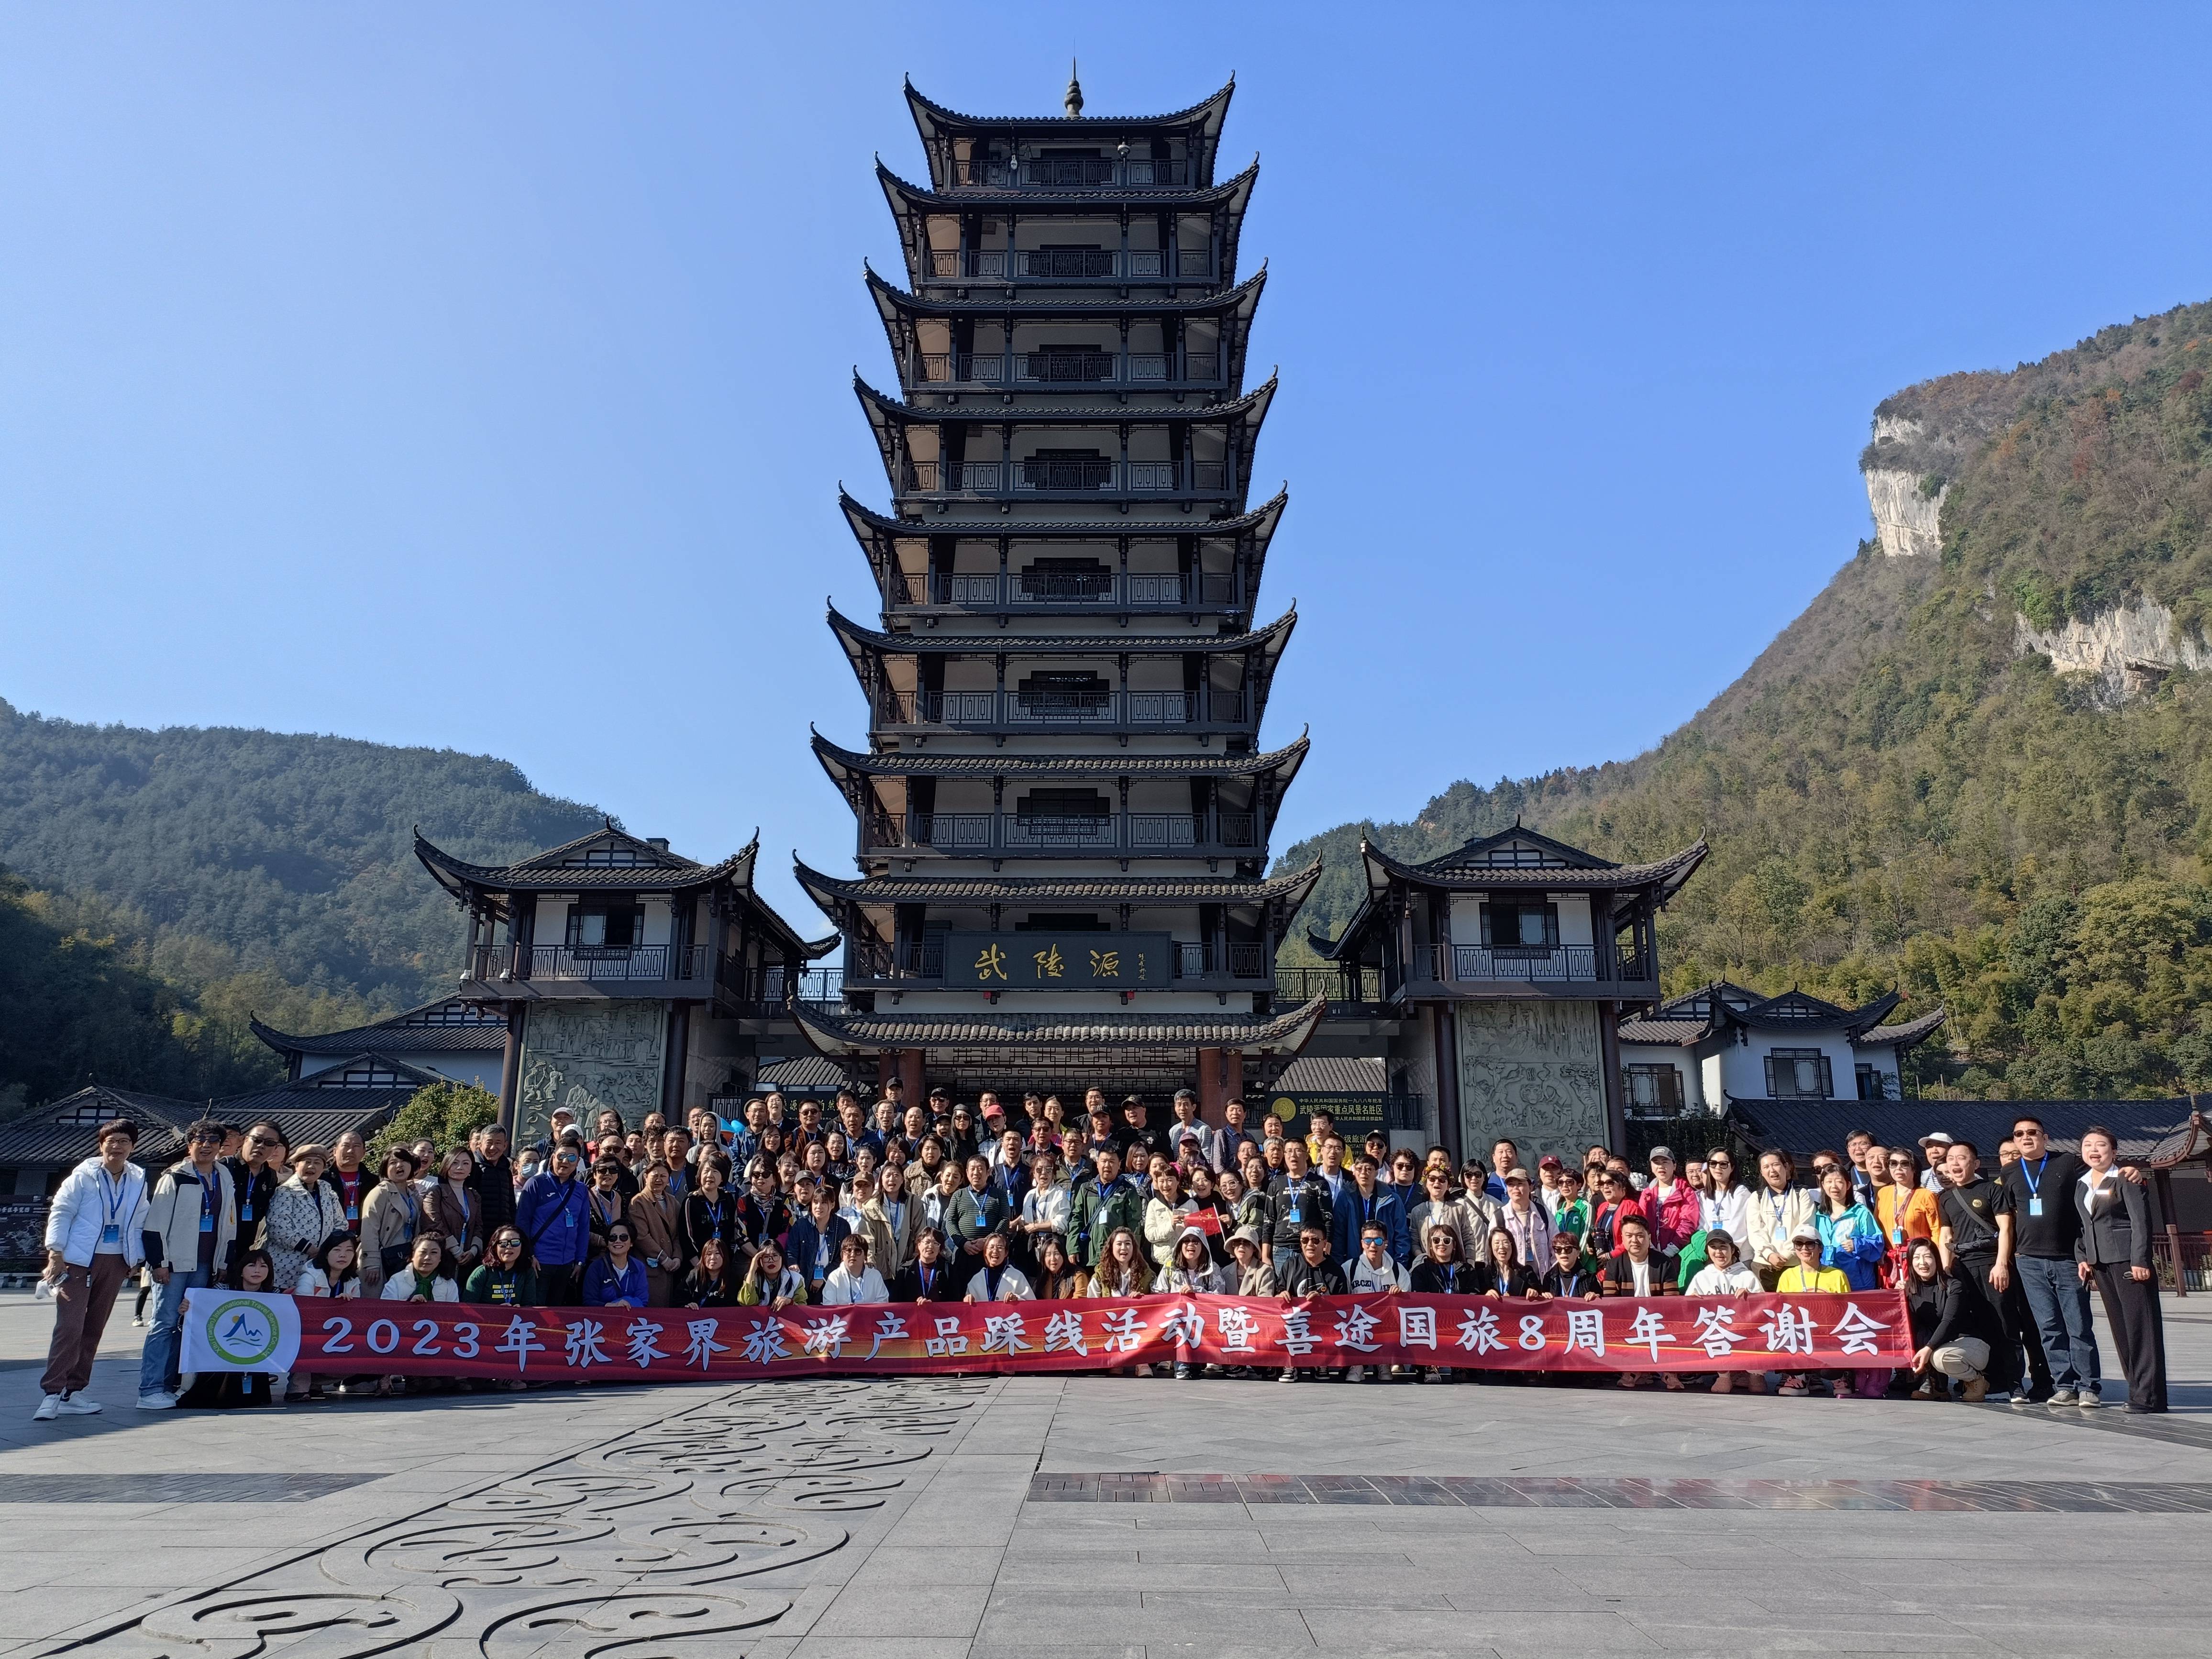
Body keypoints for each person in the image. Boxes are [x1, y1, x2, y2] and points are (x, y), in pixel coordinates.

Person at [36, 1117, 149, 1421]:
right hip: (78, 1259)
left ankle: (75, 1391)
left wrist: (134, 1259)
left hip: (115, 1260)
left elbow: (139, 1221)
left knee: (94, 1328)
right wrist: (55, 1253)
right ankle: (52, 1392)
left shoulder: (138, 1179)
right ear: (101, 1145)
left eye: (124, 1141)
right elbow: (62, 1212)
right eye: (111, 1141)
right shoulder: (82, 1177)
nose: (117, 1147)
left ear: (132, 1147)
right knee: (70, 1326)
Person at [1995, 1115, 2102, 1409]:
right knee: (2049, 1327)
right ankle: (2064, 1386)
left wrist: (2127, 1171)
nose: (2026, 1138)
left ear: (2045, 1137)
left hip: (2068, 1258)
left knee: (2079, 1325)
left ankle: (2089, 1386)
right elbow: (2006, 1216)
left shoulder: (2067, 1163)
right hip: (2029, 1261)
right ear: (2015, 1140)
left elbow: (2099, 1172)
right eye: (2019, 1134)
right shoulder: (2010, 1172)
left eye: (2033, 1133)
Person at [137, 1119, 237, 1410]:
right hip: (175, 1264)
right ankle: (150, 1388)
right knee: (164, 1323)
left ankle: (172, 1386)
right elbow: (154, 1225)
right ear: (189, 1144)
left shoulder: (224, 1176)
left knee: (189, 1325)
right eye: (200, 1140)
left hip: (206, 1262)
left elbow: (228, 1224)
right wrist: (159, 1263)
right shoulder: (175, 1177)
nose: (206, 1146)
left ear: (221, 1146)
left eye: (213, 1141)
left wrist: (223, 1261)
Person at [2075, 1125, 2167, 1414]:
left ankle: (2148, 1397)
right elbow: (2083, 1226)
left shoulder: (2125, 1179)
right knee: (2122, 1331)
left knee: (2142, 1329)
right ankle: (2138, 1391)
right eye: (2088, 1145)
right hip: (2099, 1264)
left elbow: (2141, 1223)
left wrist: (2140, 1260)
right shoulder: (2082, 1184)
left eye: (2101, 1145)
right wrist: (2083, 1256)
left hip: (2128, 1261)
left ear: (2114, 1152)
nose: (2094, 1150)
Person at [1901, 1238, 1999, 1403]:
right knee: (1921, 1336)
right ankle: (1936, 1386)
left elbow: (1949, 1322)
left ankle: (1976, 1380)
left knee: (1940, 1357)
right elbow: (1912, 1326)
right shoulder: (1911, 1289)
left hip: (1969, 1344)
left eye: (1928, 1257)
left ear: (1936, 1259)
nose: (1922, 1263)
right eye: (1916, 1258)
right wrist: (1902, 1298)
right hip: (1941, 1345)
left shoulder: (1954, 1286)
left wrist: (1928, 1348)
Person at [265, 1144, 346, 1303]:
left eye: (317, 1163)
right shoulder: (285, 1192)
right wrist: (310, 1248)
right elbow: (279, 1229)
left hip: (320, 1265)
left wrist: (329, 1249)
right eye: (307, 1162)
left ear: (324, 1167)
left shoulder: (328, 1192)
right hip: (287, 1267)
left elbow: (341, 1224)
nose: (311, 1166)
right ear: (296, 1165)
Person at [1775, 1227, 1849, 1397]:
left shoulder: (1837, 1275)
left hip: (1828, 1337)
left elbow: (1847, 1312)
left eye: (1810, 1244)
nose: (1804, 1249)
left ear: (1820, 1248)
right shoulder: (1787, 1275)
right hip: (1799, 1336)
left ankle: (1838, 1377)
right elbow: (1779, 1310)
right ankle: (1798, 1377)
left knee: (1828, 1369)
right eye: (1799, 1244)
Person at [516, 1144, 593, 1306]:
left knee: (557, 1312)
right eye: (561, 1156)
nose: (565, 1161)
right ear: (553, 1157)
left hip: (567, 1263)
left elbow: (584, 1227)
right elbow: (522, 1222)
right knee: (536, 1310)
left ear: (578, 1161)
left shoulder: (581, 1189)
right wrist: (529, 1255)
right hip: (539, 1261)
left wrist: (580, 1261)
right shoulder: (536, 1184)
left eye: (571, 1157)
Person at [291, 1232, 360, 1400]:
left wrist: (346, 1307)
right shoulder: (310, 1276)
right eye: (337, 1250)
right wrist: (331, 1307)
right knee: (304, 1339)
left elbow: (358, 1315)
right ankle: (297, 1386)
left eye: (349, 1251)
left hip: (336, 1334)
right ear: (326, 1252)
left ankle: (315, 1382)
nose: (343, 1255)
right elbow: (302, 1308)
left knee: (358, 1357)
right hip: (308, 1330)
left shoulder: (353, 1281)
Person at [1277, 1226, 1348, 1383]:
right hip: (1295, 1323)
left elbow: (1344, 1307)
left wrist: (1324, 1301)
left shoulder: (1336, 1271)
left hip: (1324, 1323)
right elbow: (1277, 1293)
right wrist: (1280, 1296)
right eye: (1305, 1240)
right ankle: (1291, 1364)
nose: (1310, 1244)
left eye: (1316, 1240)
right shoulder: (1290, 1266)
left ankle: (1321, 1362)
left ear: (1325, 1244)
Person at [1744, 1150, 1817, 1290]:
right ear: (1762, 1173)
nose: (1772, 1170)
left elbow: (1806, 1226)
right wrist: (1769, 1254)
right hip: (1764, 1264)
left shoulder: (1801, 1194)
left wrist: (1787, 1255)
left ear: (1786, 1167)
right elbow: (1754, 1230)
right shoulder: (1756, 1197)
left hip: (1795, 1262)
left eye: (1776, 1165)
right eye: (1766, 1167)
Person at [1067, 1144, 1144, 1272]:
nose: (1107, 1165)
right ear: (1097, 1164)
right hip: (1088, 1255)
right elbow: (1076, 1218)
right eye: (1104, 1161)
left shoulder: (1127, 1190)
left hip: (1116, 1258)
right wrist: (1073, 1248)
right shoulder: (1086, 1189)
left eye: (1112, 1162)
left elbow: (1135, 1223)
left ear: (1119, 1165)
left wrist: (1133, 1254)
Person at [1265, 1140, 1333, 1284]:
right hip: (1281, 1248)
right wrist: (1266, 1255)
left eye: (1298, 1151)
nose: (1293, 1155)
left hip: (1308, 1247)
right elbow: (1269, 1220)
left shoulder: (1319, 1184)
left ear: (1306, 1154)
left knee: (1306, 1290)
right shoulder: (1276, 1184)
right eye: (1289, 1151)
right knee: (1283, 1292)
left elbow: (1328, 1219)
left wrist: (1326, 1248)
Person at [358, 1150, 422, 1300]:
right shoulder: (380, 1192)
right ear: (385, 1169)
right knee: (376, 1302)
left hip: (403, 1257)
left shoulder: (412, 1194)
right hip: (381, 1257)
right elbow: (369, 1229)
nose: (399, 1165)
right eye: (393, 1163)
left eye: (404, 1161)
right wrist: (372, 1263)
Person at [1814, 1165, 1887, 1290]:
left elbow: (1877, 1244)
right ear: (1823, 1186)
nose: (1834, 1186)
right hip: (1829, 1279)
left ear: (1848, 1186)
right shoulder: (1819, 1214)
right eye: (1829, 1182)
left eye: (1839, 1182)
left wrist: (1857, 1245)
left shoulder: (1861, 1213)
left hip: (1857, 1281)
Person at [1876, 1148, 1941, 1283]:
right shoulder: (1883, 1193)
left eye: (1904, 1164)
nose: (1898, 1168)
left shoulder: (1926, 1195)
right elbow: (1878, 1227)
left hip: (1919, 1260)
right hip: (1891, 1259)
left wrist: (1937, 1259)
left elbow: (1937, 1230)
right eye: (1893, 1163)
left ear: (1914, 1169)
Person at [423, 1146, 486, 1283]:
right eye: (455, 1163)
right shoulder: (435, 1193)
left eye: (466, 1163)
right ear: (447, 1165)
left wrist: (474, 1250)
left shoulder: (474, 1195)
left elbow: (479, 1226)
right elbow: (434, 1224)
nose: (460, 1168)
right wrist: (456, 1250)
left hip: (468, 1258)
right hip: (442, 1257)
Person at [626, 1162, 682, 1306]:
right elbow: (641, 1236)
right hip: (651, 1267)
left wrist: (677, 1257)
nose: (659, 1179)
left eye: (663, 1176)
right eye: (655, 1175)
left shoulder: (673, 1202)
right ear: (646, 1177)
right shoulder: (638, 1202)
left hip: (671, 1267)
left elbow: (677, 1235)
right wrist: (663, 1258)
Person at [786, 1189, 852, 1299]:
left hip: (832, 1280)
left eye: (824, 1203)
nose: (819, 1206)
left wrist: (823, 1276)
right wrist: (793, 1264)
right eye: (815, 1202)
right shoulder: (801, 1225)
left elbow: (843, 1257)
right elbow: (790, 1252)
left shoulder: (842, 1226)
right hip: (804, 1280)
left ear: (832, 1204)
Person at [464, 1228, 540, 1308]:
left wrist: (522, 1310)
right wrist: (498, 1312)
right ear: (495, 1247)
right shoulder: (482, 1273)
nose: (509, 1247)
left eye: (515, 1242)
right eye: (503, 1243)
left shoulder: (527, 1272)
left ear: (523, 1247)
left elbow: (530, 1306)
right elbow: (469, 1309)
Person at [1497, 1169, 1555, 1271]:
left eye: (1520, 1184)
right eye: (1511, 1185)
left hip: (1542, 1278)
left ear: (1530, 1187)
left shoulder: (1543, 1213)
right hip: (1514, 1279)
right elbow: (1493, 1251)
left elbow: (1555, 1246)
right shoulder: (1500, 1217)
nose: (1515, 1188)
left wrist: (1552, 1277)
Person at [322, 1130, 378, 1236]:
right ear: (335, 1151)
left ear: (364, 1152)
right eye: (346, 1146)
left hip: (364, 1237)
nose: (350, 1151)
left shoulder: (374, 1181)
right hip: (329, 1239)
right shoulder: (322, 1179)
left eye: (356, 1146)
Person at [1141, 1161, 1195, 1267]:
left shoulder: (1191, 1204)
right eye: (1161, 1181)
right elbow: (1150, 1234)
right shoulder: (1154, 1204)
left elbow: (1198, 1233)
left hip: (1186, 1260)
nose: (1165, 1185)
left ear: (1178, 1181)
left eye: (1170, 1180)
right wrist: (1170, 1226)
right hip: (1162, 1261)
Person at [582, 1222, 648, 1307]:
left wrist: (625, 1303)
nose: (618, 1241)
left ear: (631, 1243)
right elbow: (589, 1302)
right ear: (608, 1243)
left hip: (631, 1318)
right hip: (603, 1319)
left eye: (623, 1237)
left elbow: (643, 1301)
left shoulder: (639, 1267)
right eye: (612, 1238)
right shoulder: (596, 1267)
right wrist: (613, 1306)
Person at [892, 1228, 964, 1303]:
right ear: (919, 1244)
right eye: (927, 1242)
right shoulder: (905, 1270)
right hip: (913, 1314)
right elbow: (895, 1302)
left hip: (940, 1314)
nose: (931, 1246)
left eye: (936, 1243)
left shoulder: (949, 1270)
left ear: (940, 1249)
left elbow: (955, 1301)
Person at [1474, 1225, 1543, 1300]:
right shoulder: (1482, 1276)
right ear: (1491, 1247)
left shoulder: (1527, 1273)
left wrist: (1534, 1294)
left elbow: (1539, 1298)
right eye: (1497, 1243)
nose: (1501, 1247)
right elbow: (1473, 1302)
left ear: (1512, 1245)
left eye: (1505, 1242)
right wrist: (1484, 1297)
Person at [963, 1231, 1033, 1303]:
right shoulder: (976, 1279)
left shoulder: (1017, 1276)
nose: (995, 1251)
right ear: (985, 1253)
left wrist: (1017, 1299)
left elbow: (1031, 1305)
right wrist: (968, 1300)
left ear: (1006, 1253)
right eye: (991, 1247)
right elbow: (968, 1308)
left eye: (999, 1247)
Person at [737, 1240, 807, 1309]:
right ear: (760, 1261)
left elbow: (803, 1308)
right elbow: (747, 1303)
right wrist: (752, 1269)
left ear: (782, 1258)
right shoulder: (752, 1277)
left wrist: (790, 1302)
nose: (771, 1260)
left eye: (775, 1256)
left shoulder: (796, 1279)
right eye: (766, 1257)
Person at [822, 1234, 891, 1305]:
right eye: (848, 1251)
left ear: (865, 1256)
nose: (852, 1255)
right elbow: (829, 1306)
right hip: (843, 1316)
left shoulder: (875, 1276)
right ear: (842, 1256)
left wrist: (861, 1310)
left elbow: (883, 1303)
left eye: (858, 1251)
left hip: (869, 1316)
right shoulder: (834, 1277)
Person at [1699, 1150, 1750, 1245]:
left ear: (1732, 1168)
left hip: (1737, 1253)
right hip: (1712, 1251)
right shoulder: (1704, 1195)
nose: (1718, 1168)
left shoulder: (1740, 1192)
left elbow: (1738, 1227)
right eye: (1713, 1164)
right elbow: (1703, 1227)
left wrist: (1723, 1248)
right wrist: (1711, 1249)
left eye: (1723, 1164)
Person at [1541, 1230, 1600, 1301]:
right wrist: (1543, 1298)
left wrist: (1596, 1297)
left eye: (1568, 1249)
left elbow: (1601, 1305)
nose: (1563, 1253)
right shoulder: (1549, 1278)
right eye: (1558, 1249)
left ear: (1578, 1252)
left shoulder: (1589, 1278)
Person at [682, 1237, 740, 1307]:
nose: (713, 1257)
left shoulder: (732, 1279)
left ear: (725, 1256)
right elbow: (679, 1299)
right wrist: (688, 1305)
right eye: (709, 1254)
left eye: (717, 1253)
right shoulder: (694, 1275)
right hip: (696, 1317)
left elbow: (733, 1306)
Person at [1032, 1232, 1085, 1300]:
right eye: (1048, 1255)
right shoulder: (1042, 1278)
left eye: (1056, 1254)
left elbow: (1080, 1302)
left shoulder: (1078, 1275)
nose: (1053, 1259)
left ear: (1063, 1256)